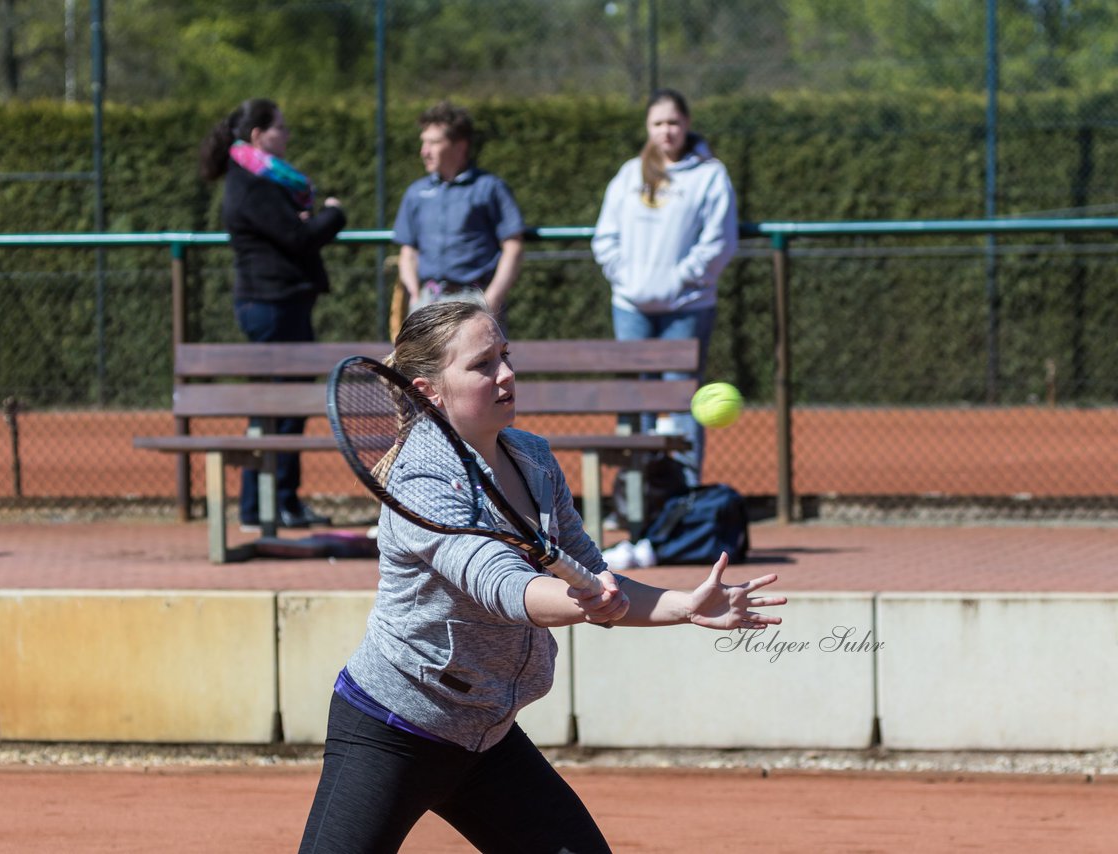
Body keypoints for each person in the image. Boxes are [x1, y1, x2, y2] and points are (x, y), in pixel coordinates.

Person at [298, 301, 785, 853]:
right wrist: (584, 601)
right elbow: (500, 582)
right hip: (394, 728)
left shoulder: (532, 458)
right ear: (429, 390)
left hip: (488, 737)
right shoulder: (419, 477)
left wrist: (685, 606)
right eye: (482, 365)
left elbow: (593, 572)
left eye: (505, 356)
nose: (506, 374)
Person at [199, 98, 346, 529]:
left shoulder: (258, 180)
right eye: (280, 127)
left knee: (285, 407)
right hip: (273, 305)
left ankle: (280, 501)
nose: (287, 134)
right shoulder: (252, 183)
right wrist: (334, 215)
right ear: (260, 135)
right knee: (277, 407)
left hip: (280, 303)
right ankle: (265, 505)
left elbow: (287, 230)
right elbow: (298, 237)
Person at [591, 88, 738, 485]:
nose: (666, 131)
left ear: (687, 124)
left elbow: (719, 242)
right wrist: (629, 278)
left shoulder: (711, 175)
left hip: (687, 308)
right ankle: (636, 496)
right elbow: (605, 238)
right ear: (648, 127)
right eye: (658, 123)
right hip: (631, 308)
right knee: (635, 402)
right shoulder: (628, 174)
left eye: (673, 122)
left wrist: (679, 279)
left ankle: (685, 498)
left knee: (682, 404)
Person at [392, 101, 525, 322]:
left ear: (460, 146)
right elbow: (408, 252)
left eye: (433, 143)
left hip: (474, 302)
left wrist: (491, 299)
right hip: (427, 302)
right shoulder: (416, 192)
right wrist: (416, 296)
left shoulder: (489, 188)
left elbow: (513, 247)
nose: (424, 151)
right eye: (423, 142)